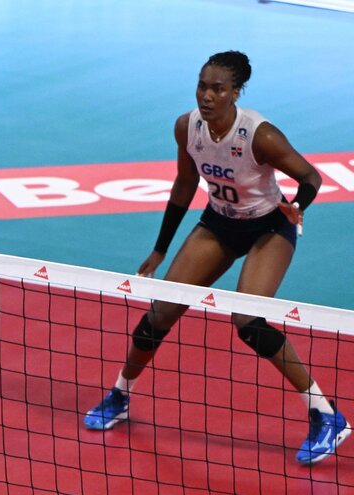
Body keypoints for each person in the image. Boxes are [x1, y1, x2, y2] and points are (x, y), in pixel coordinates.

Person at [83, 50, 344, 465]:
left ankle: (326, 414)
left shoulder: (260, 135)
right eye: (202, 86)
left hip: (269, 227)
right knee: (159, 315)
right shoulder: (187, 127)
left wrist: (298, 205)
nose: (207, 95)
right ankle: (120, 395)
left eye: (218, 89)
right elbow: (185, 184)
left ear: (236, 92)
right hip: (219, 224)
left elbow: (310, 176)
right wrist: (160, 248)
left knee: (248, 322)